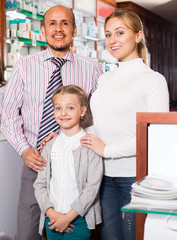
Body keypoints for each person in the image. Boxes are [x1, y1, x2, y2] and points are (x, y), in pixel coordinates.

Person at [1, 5, 103, 240]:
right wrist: (25, 150)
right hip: (36, 163)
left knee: (73, 231)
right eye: (52, 24)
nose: (58, 29)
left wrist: (72, 137)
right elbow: (8, 115)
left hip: (78, 164)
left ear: (74, 29)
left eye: (65, 23)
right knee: (27, 233)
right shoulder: (24, 66)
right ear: (43, 29)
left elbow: (98, 117)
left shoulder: (92, 70)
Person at [80, 10, 170, 240]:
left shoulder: (153, 80)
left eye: (120, 33)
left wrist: (107, 151)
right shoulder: (104, 78)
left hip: (135, 177)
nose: (113, 40)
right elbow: (98, 125)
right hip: (103, 176)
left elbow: (154, 136)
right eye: (108, 35)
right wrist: (66, 135)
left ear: (138, 36)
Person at [34, 85, 103, 240]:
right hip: (51, 218)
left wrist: (68, 217)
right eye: (58, 108)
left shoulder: (90, 146)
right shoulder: (49, 146)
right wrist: (50, 212)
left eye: (70, 108)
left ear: (83, 111)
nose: (63, 113)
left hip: (79, 220)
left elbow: (91, 189)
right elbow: (40, 184)